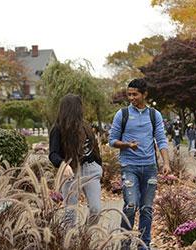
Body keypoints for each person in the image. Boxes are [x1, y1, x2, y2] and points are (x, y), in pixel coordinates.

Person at [109, 78, 170, 250]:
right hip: (129, 166)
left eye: (135, 94)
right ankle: (125, 244)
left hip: (150, 167)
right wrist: (127, 145)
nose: (131, 98)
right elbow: (112, 141)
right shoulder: (122, 114)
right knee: (131, 205)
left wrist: (166, 163)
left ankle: (144, 245)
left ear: (145, 94)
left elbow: (161, 140)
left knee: (146, 209)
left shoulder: (154, 115)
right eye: (129, 94)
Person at [48, 94, 102, 226]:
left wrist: (99, 165)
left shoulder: (85, 126)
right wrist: (63, 165)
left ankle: (86, 236)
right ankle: (71, 242)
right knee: (70, 214)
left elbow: (94, 148)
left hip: (91, 170)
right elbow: (53, 154)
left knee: (96, 209)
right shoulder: (58, 129)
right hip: (71, 171)